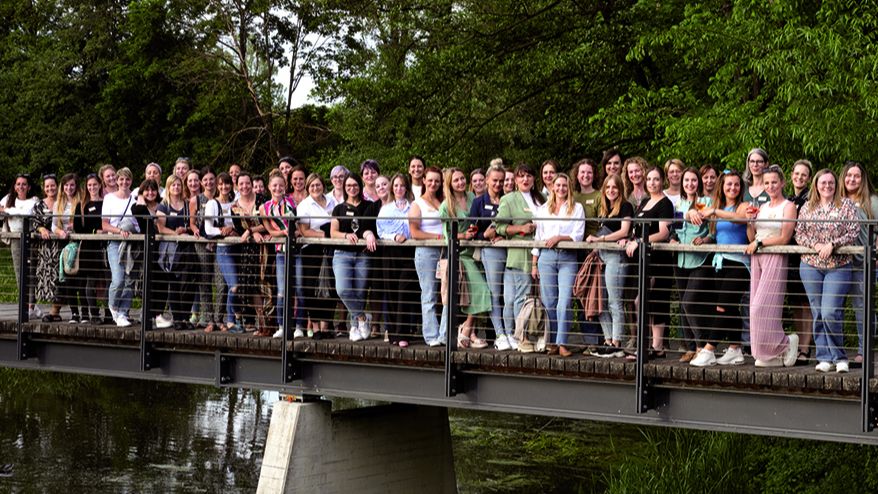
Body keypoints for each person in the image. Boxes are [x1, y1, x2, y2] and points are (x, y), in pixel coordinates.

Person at [795, 169, 859, 373]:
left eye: (831, 183)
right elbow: (799, 232)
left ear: (835, 184)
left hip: (838, 265)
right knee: (817, 312)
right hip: (810, 265)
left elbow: (854, 230)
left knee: (831, 312)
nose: (827, 186)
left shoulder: (846, 205)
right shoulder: (807, 207)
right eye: (823, 183)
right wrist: (816, 245)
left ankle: (839, 356)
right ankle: (823, 357)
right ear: (816, 185)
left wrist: (832, 244)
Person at [693, 170, 750, 366]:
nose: (732, 188)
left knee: (722, 306)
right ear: (722, 187)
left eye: (736, 184)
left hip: (739, 263)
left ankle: (709, 349)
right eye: (728, 184)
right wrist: (705, 238)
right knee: (731, 307)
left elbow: (740, 219)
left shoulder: (743, 205)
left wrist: (715, 212)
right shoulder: (717, 206)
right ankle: (735, 348)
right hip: (720, 261)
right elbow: (718, 234)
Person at [745, 164, 799, 367]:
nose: (770, 186)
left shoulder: (788, 206)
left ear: (782, 183)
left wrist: (759, 243)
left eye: (774, 182)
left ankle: (784, 343)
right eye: (767, 183)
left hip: (775, 256)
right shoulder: (763, 207)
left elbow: (785, 237)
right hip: (757, 257)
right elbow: (751, 236)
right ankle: (769, 354)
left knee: (763, 308)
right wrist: (750, 222)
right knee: (754, 308)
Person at [532, 174, 584, 357]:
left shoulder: (576, 208)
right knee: (549, 302)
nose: (561, 188)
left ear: (569, 187)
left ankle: (562, 343)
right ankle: (552, 342)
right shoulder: (543, 209)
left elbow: (578, 235)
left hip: (568, 257)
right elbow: (538, 238)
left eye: (565, 185)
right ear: (553, 187)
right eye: (558, 185)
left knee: (565, 301)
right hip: (546, 258)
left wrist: (559, 238)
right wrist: (534, 264)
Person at [624, 166, 674, 357]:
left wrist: (640, 241)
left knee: (650, 301)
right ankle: (650, 347)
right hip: (641, 260)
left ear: (663, 181)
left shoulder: (665, 204)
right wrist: (630, 239)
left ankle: (655, 346)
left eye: (656, 179)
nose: (652, 183)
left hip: (658, 260)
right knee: (644, 301)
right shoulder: (644, 202)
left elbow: (663, 232)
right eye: (650, 179)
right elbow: (635, 230)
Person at [495, 163, 545, 352]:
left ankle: (532, 335)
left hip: (541, 253)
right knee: (517, 298)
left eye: (529, 176)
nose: (525, 179)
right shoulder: (509, 199)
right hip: (520, 256)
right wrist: (520, 229)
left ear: (534, 179)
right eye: (521, 176)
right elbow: (498, 227)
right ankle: (516, 335)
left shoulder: (542, 198)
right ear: (515, 179)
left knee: (530, 298)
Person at [440, 168, 491, 349]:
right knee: (481, 291)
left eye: (462, 178)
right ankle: (466, 328)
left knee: (475, 294)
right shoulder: (447, 206)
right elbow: (448, 237)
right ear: (450, 184)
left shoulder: (472, 197)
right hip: (460, 253)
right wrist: (464, 236)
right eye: (456, 180)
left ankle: (471, 333)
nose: (460, 182)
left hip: (475, 250)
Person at [672, 168, 714, 363]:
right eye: (686, 180)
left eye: (693, 180)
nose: (690, 184)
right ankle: (689, 347)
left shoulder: (707, 202)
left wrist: (705, 239)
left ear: (699, 182)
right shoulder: (677, 203)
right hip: (680, 259)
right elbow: (674, 227)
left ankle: (700, 345)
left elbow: (713, 231)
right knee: (683, 304)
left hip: (700, 259)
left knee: (691, 302)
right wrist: (672, 239)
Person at [585, 174, 632, 353]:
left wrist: (601, 239)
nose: (611, 191)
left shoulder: (626, 206)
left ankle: (617, 342)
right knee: (601, 301)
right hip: (602, 257)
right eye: (608, 187)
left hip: (616, 258)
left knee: (614, 301)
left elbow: (624, 231)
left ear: (620, 190)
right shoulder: (605, 209)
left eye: (615, 187)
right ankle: (607, 339)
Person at [330, 172, 378, 341]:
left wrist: (368, 234)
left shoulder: (369, 206)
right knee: (342, 289)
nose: (352, 188)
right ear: (344, 187)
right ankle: (363, 318)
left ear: (360, 186)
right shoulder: (339, 208)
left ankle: (354, 328)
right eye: (349, 185)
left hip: (362, 255)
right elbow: (333, 232)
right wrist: (345, 235)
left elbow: (372, 227)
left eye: (355, 185)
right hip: (342, 254)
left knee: (359, 293)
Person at [841, 160, 878, 363]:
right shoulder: (836, 200)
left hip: (861, 263)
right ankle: (835, 354)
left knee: (861, 308)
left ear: (862, 179)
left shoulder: (871, 201)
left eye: (856, 176)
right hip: (837, 263)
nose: (852, 179)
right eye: (848, 175)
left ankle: (864, 352)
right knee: (832, 308)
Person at [469, 165, 509, 349]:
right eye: (495, 180)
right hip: (488, 252)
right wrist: (484, 236)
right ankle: (499, 333)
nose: (498, 184)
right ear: (487, 180)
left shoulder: (508, 199)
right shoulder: (478, 202)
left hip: (509, 251)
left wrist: (503, 234)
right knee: (494, 292)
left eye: (501, 180)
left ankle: (508, 333)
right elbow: (471, 230)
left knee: (508, 295)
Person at [377, 173, 418, 347]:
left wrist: (406, 236)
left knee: (404, 291)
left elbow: (417, 228)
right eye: (395, 186)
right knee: (391, 291)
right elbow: (380, 230)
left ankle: (403, 333)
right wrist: (394, 236)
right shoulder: (386, 209)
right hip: (391, 252)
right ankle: (393, 333)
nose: (399, 189)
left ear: (406, 188)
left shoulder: (413, 208)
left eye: (402, 185)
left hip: (409, 252)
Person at [296, 173, 338, 339]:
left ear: (323, 186)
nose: (315, 188)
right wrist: (325, 233)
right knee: (311, 288)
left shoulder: (332, 202)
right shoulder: (305, 205)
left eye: (318, 185)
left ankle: (326, 326)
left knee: (330, 287)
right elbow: (304, 230)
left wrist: (328, 234)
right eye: (312, 186)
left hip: (330, 249)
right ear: (308, 188)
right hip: (311, 250)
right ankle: (315, 327)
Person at [409, 167, 447, 346]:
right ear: (424, 180)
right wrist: (438, 237)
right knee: (429, 293)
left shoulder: (443, 201)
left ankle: (444, 334)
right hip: (427, 252)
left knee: (447, 294)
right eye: (430, 180)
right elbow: (414, 232)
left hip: (445, 252)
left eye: (437, 181)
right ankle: (431, 335)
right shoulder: (418, 204)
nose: (433, 184)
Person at [231, 172, 271, 336]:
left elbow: (268, 223)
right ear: (237, 185)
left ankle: (270, 324)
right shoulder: (234, 206)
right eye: (241, 184)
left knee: (265, 284)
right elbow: (238, 229)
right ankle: (260, 322)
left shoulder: (262, 200)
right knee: (252, 287)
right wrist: (248, 232)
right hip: (247, 250)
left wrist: (251, 231)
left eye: (247, 183)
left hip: (264, 247)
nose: (244, 187)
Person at [155, 175, 195, 330]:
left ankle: (185, 317)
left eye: (178, 185)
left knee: (187, 283)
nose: (176, 188)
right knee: (174, 284)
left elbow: (192, 223)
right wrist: (175, 233)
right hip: (169, 250)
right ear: (168, 187)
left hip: (185, 248)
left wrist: (185, 230)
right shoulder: (163, 205)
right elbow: (161, 228)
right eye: (173, 185)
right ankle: (177, 318)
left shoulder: (186, 204)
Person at [204, 172, 241, 333]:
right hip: (223, 248)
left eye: (227, 184)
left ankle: (231, 319)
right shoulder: (213, 204)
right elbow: (207, 228)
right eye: (221, 184)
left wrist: (233, 228)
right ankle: (232, 319)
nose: (224, 187)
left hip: (238, 247)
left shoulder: (235, 203)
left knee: (230, 286)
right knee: (234, 285)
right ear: (217, 186)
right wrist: (223, 230)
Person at [262, 170, 298, 337]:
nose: (278, 188)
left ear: (285, 187)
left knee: (297, 288)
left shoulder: (291, 201)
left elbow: (297, 227)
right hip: (280, 251)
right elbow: (269, 231)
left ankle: (298, 325)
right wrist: (283, 233)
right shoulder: (265, 207)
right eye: (274, 185)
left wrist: (288, 233)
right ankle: (282, 325)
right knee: (281, 290)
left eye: (281, 185)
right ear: (269, 187)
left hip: (295, 249)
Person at [101, 167, 137, 327]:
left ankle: (123, 313)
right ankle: (113, 306)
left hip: (132, 242)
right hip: (115, 241)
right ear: (117, 180)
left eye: (127, 179)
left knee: (130, 280)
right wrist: (119, 230)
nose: (124, 182)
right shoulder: (109, 198)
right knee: (118, 278)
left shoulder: (135, 199)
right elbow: (104, 224)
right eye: (121, 179)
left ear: (131, 181)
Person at [0, 174, 39, 317]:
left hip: (31, 238)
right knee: (19, 272)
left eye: (24, 184)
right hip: (16, 238)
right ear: (15, 186)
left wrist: (9, 211)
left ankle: (31, 306)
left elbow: (28, 213)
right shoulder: (8, 198)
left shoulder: (34, 200)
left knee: (31, 271)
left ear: (28, 187)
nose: (21, 187)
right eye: (18, 184)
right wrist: (9, 211)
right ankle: (24, 304)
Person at [786, 160, 813, 362]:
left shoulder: (811, 199)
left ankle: (805, 347)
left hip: (805, 254)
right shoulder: (788, 199)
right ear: (791, 175)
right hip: (789, 257)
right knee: (796, 302)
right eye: (797, 174)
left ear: (809, 178)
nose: (799, 177)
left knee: (806, 303)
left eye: (804, 175)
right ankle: (799, 346)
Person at [130, 180, 165, 328]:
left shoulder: (163, 205)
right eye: (146, 191)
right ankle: (147, 316)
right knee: (149, 282)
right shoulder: (137, 207)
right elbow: (139, 214)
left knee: (162, 282)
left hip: (162, 247)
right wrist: (141, 199)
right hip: (148, 248)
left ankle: (159, 315)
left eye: (153, 190)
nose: (150, 193)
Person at [190, 167, 220, 331]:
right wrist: (194, 229)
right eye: (205, 179)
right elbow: (192, 221)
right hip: (202, 243)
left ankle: (219, 317)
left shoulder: (222, 197)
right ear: (202, 182)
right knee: (204, 281)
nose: (209, 182)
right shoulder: (196, 199)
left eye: (211, 179)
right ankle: (209, 319)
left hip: (219, 244)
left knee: (220, 281)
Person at [72, 173, 104, 324]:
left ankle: (110, 314)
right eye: (89, 185)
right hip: (89, 247)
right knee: (90, 282)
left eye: (95, 184)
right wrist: (94, 231)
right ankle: (94, 314)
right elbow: (78, 228)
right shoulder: (82, 205)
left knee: (107, 281)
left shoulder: (106, 202)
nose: (92, 188)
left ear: (100, 185)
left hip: (104, 246)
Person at [51, 174, 83, 323]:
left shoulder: (82, 201)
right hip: (65, 243)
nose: (69, 188)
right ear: (62, 187)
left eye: (72, 185)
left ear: (76, 186)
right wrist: (60, 232)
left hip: (80, 242)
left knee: (81, 279)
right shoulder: (58, 203)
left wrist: (75, 226)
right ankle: (74, 313)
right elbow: (53, 225)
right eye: (66, 185)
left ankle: (85, 313)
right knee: (68, 279)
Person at [34, 174, 61, 321]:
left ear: (57, 186)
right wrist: (41, 229)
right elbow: (35, 223)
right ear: (44, 189)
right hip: (46, 247)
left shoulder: (63, 201)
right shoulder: (39, 205)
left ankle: (56, 310)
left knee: (60, 276)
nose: (50, 188)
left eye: (53, 185)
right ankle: (54, 309)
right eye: (47, 186)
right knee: (49, 276)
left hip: (62, 245)